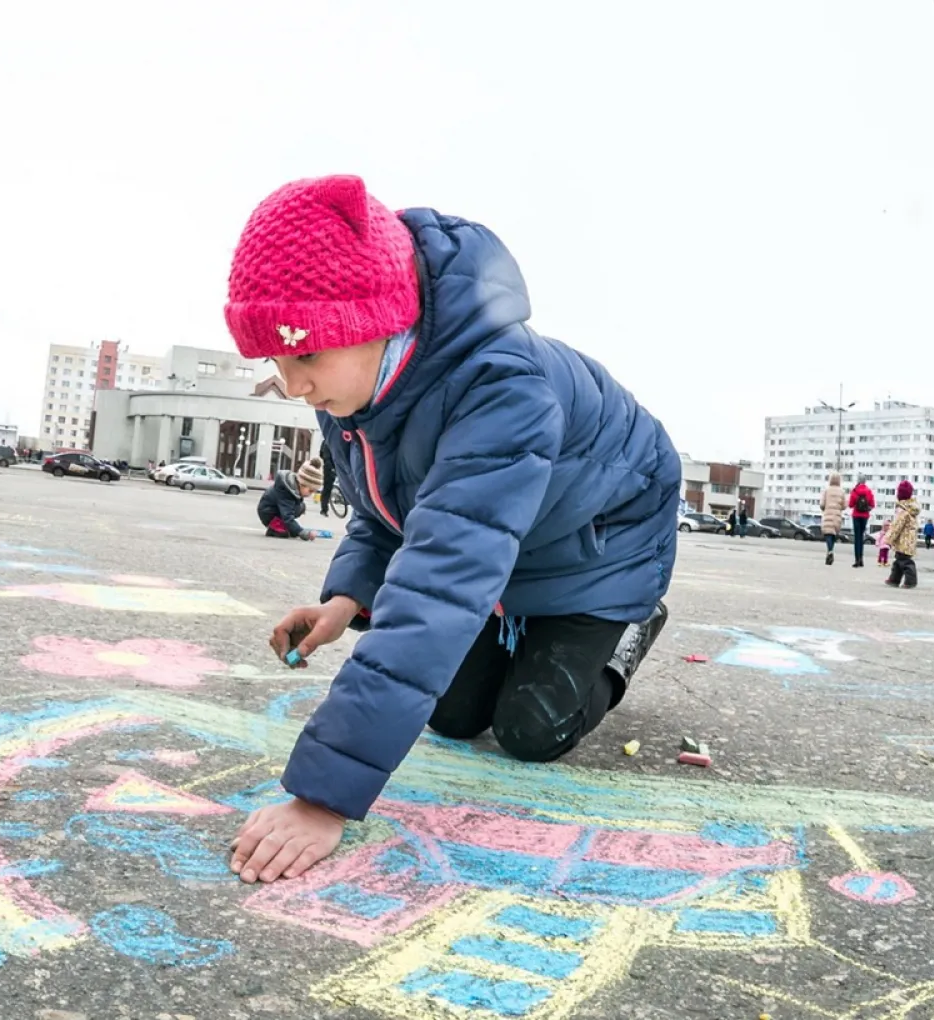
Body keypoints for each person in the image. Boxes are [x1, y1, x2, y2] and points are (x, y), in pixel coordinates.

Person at [222, 175, 680, 885]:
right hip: (515, 543)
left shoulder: (502, 389)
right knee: (456, 713)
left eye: (305, 355)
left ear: (380, 317)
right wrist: (347, 599)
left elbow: (442, 579)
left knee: (533, 729)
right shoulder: (357, 379)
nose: (292, 384)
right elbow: (388, 510)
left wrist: (322, 798)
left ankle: (625, 629)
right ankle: (521, 629)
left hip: (599, 547)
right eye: (277, 360)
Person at [257, 458, 324, 539]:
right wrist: (301, 532)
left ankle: (285, 526)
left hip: (275, 509)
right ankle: (274, 527)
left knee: (300, 507)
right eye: (310, 491)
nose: (310, 494)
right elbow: (287, 516)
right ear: (301, 483)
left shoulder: (294, 490)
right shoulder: (286, 493)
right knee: (284, 532)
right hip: (268, 512)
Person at [883, 481, 920, 588]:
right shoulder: (910, 509)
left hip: (904, 541)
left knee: (905, 562)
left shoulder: (903, 511)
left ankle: (911, 581)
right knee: (899, 561)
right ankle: (894, 579)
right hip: (908, 541)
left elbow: (896, 527)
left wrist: (888, 539)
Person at [849, 476, 876, 567]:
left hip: (856, 516)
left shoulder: (855, 491)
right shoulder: (869, 491)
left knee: (857, 538)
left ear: (858, 481)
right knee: (861, 536)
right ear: (865, 481)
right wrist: (867, 508)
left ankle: (857, 559)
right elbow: (872, 505)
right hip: (865, 516)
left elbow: (850, 505)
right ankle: (861, 559)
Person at [819, 474, 846, 566]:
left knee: (828, 534)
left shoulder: (826, 490)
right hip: (837, 516)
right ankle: (829, 553)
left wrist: (825, 507)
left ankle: (830, 552)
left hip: (827, 514)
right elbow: (844, 506)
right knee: (833, 535)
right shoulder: (842, 491)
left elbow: (822, 505)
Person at [318, 439, 338, 517]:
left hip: (329, 466)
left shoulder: (325, 441)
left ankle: (324, 509)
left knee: (327, 488)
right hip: (331, 466)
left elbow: (321, 454)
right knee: (327, 488)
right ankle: (324, 509)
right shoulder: (332, 440)